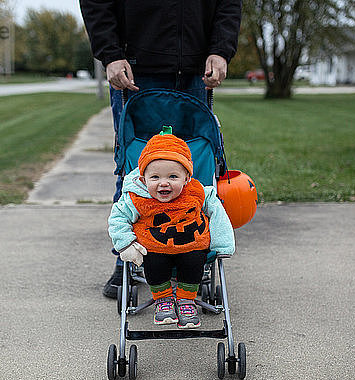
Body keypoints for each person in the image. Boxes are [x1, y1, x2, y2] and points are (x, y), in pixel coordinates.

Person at [80, 0, 242, 298]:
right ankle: (128, 260)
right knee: (136, 168)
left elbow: (228, 3)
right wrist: (111, 54)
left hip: (196, 68)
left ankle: (196, 261)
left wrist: (221, 49)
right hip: (135, 70)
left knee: (196, 170)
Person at [108, 129, 235, 328]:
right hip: (154, 247)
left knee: (195, 259)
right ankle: (163, 299)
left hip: (191, 245)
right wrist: (126, 243)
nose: (164, 183)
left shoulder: (197, 192)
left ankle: (186, 300)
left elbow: (217, 211)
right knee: (154, 262)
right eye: (155, 177)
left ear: (186, 179)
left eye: (173, 177)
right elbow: (118, 218)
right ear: (143, 180)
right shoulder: (136, 197)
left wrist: (222, 243)